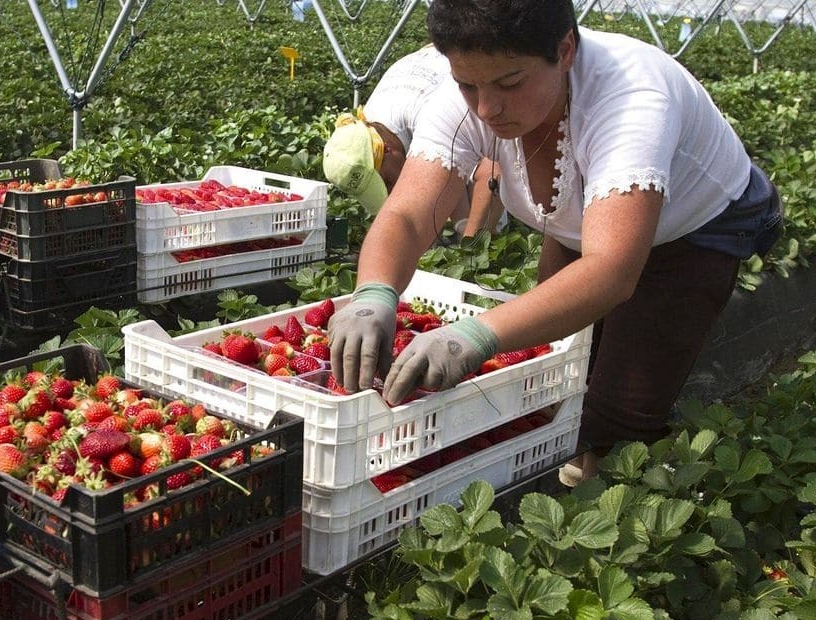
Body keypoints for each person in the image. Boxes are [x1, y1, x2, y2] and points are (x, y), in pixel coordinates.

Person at [327, 0, 782, 483]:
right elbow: (407, 213)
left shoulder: (631, 100)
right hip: (582, 222)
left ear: (565, 50)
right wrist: (373, 293)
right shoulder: (462, 104)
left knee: (623, 402)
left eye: (509, 83)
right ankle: (560, 468)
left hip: (694, 231)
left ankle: (609, 492)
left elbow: (609, 270)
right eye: (468, 84)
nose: (486, 108)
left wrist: (475, 334)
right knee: (559, 367)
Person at [322, 44, 505, 238]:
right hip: (437, 69)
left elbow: (494, 168)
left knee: (493, 214)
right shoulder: (369, 122)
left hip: (486, 65)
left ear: (387, 149)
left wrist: (473, 242)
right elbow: (447, 164)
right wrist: (460, 222)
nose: (390, 190)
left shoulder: (434, 116)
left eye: (388, 181)